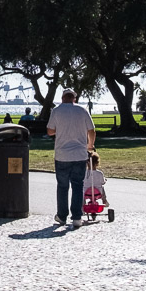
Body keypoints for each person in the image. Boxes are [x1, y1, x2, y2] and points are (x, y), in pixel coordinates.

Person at [47, 89, 96, 229]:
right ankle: (77, 217)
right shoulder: (82, 110)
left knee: (62, 186)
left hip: (62, 154)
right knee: (77, 185)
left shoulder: (56, 111)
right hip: (80, 154)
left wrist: (60, 129)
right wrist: (90, 145)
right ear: (74, 98)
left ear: (62, 98)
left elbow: (50, 131)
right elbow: (92, 130)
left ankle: (62, 216)